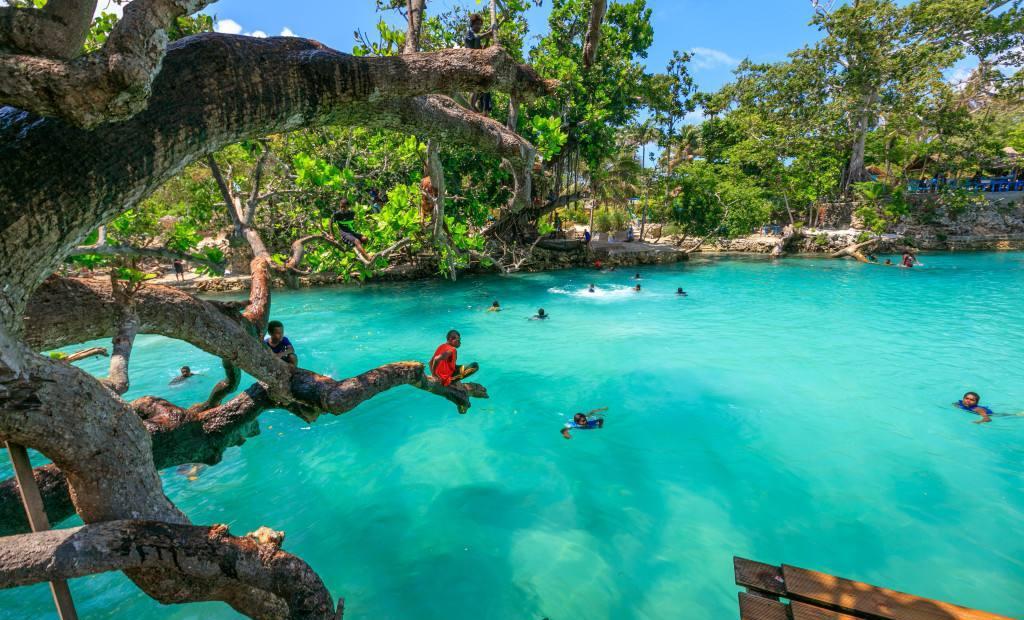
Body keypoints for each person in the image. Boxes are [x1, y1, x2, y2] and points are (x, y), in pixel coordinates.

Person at [465, 14, 494, 113]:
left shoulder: (477, 37)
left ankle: (484, 111)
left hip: (478, 64)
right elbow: (476, 37)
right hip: (471, 63)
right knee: (475, 88)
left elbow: (482, 51)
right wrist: (488, 33)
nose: (479, 26)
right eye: (477, 24)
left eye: (480, 25)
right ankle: (471, 107)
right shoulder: (469, 34)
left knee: (485, 87)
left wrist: (488, 39)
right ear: (472, 24)